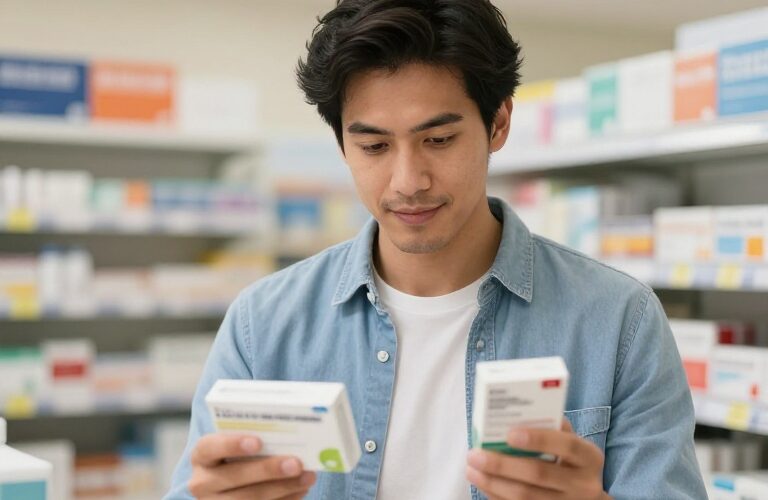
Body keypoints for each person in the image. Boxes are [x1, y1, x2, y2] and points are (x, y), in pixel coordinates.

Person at [166, 1, 707, 498]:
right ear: (341, 145)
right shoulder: (263, 325)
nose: (408, 181)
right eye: (374, 146)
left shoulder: (619, 319)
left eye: (439, 140)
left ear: (498, 123)